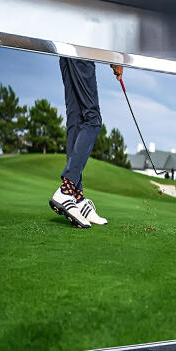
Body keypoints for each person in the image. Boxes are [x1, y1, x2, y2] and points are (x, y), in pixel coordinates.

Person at [50, 57, 110, 227]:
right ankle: (66, 189)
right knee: (93, 120)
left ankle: (78, 198)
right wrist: (117, 59)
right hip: (83, 49)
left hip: (67, 50)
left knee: (75, 120)